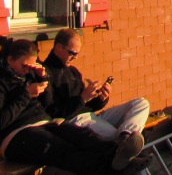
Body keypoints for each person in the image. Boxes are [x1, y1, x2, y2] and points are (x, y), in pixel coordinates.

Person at [0, 38, 145, 175]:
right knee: (62, 149)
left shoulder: (29, 75)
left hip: (44, 124)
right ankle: (114, 173)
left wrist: (43, 79)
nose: (27, 70)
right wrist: (26, 94)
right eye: (24, 66)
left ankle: (119, 152)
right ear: (10, 60)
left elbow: (47, 103)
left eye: (31, 66)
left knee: (83, 136)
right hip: (16, 136)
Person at [42, 28, 151, 158]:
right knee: (117, 139)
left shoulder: (73, 72)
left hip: (91, 116)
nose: (75, 57)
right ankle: (125, 145)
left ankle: (125, 136)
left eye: (77, 53)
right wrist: (82, 98)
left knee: (141, 103)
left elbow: (89, 106)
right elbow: (52, 112)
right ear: (59, 48)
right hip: (75, 121)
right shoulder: (47, 74)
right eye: (72, 53)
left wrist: (101, 98)